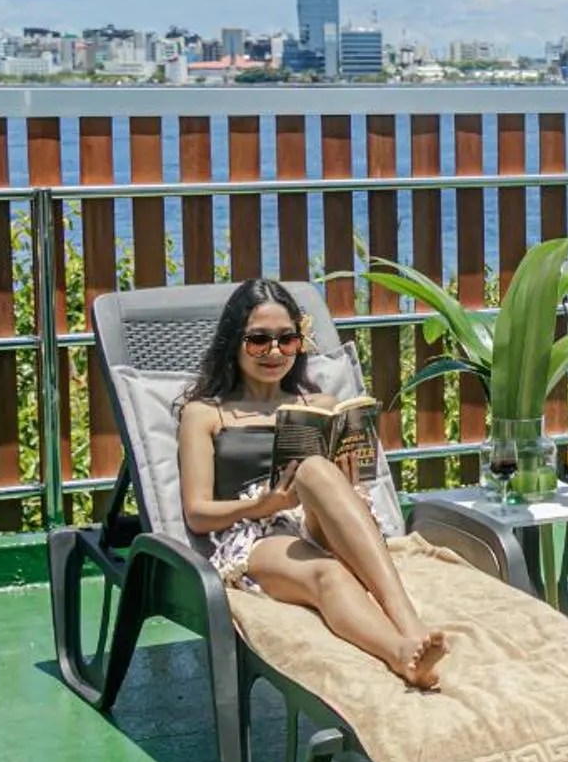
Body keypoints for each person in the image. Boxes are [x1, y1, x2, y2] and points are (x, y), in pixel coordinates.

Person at [176, 279, 447, 690]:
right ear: (234, 341)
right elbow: (196, 513)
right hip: (256, 531)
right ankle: (402, 654)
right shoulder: (206, 413)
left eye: (287, 339)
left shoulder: (319, 404)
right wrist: (262, 506)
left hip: (322, 514)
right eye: (258, 340)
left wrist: (349, 476)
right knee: (328, 574)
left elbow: (331, 481)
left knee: (316, 470)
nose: (274, 351)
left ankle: (409, 620)